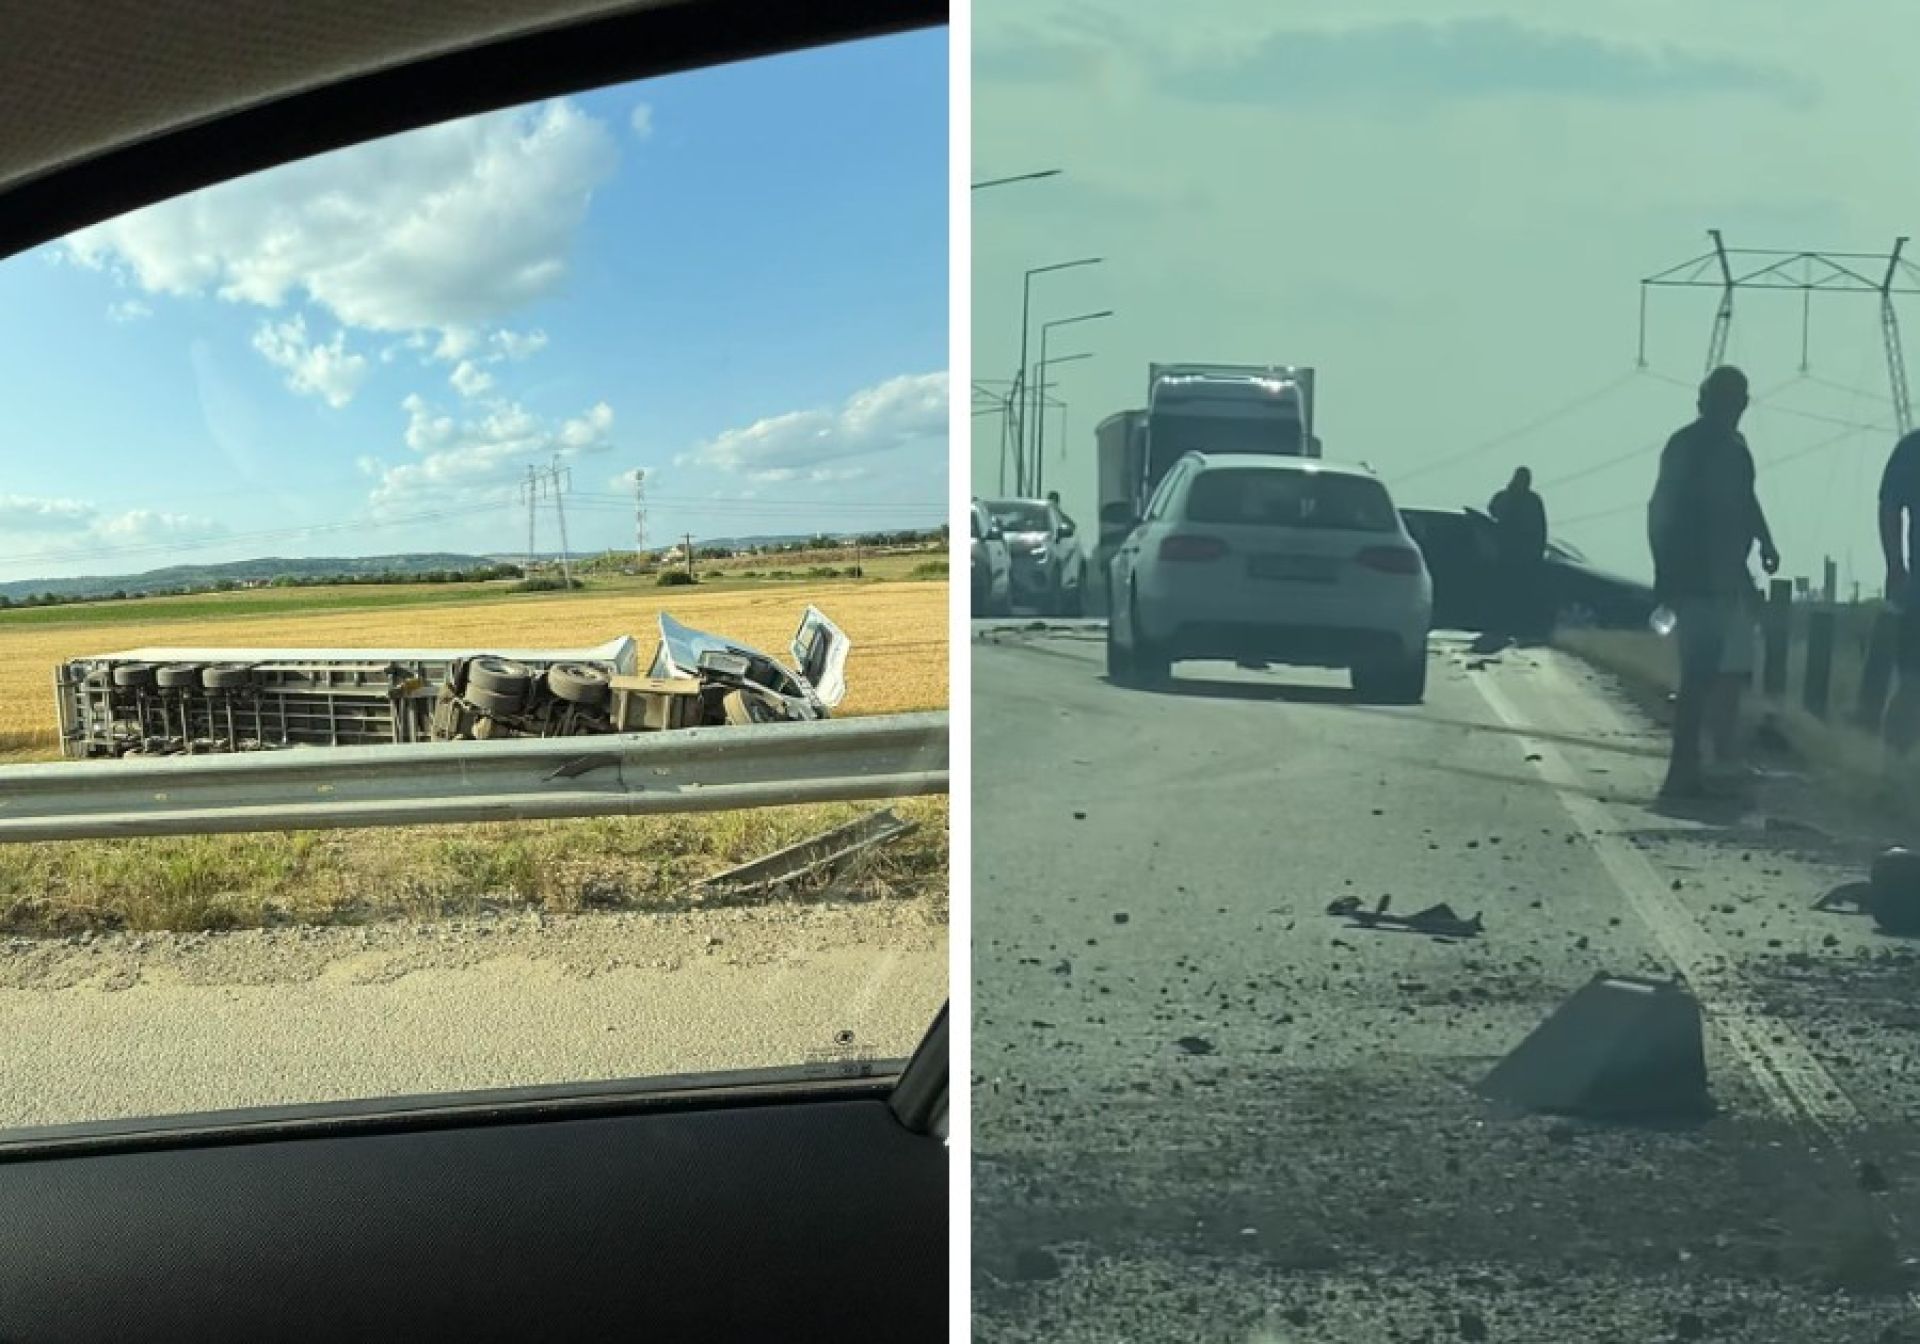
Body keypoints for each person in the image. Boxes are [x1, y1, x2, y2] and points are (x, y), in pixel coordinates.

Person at [1647, 365, 1780, 800]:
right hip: (1696, 581)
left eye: (1737, 401)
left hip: (1731, 579)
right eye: (1726, 400)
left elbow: (1746, 500)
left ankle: (1718, 761)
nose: (1732, 408)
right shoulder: (1687, 446)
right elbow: (1661, 509)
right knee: (1699, 675)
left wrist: (1764, 541)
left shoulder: (1737, 449)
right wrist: (1666, 574)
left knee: (1732, 675)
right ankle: (1682, 770)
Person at [1877, 428, 1920, 752]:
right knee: (1913, 679)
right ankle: (1894, 763)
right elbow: (1889, 505)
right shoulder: (1914, 448)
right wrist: (1895, 564)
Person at [1487, 467, 1548, 644]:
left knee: (1519, 595)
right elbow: (1493, 510)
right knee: (1503, 595)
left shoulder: (1532, 501)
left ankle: (1513, 627)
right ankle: (1501, 627)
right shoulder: (1506, 497)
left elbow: (1540, 529)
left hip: (1523, 558)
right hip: (1507, 556)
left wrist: (1537, 552)